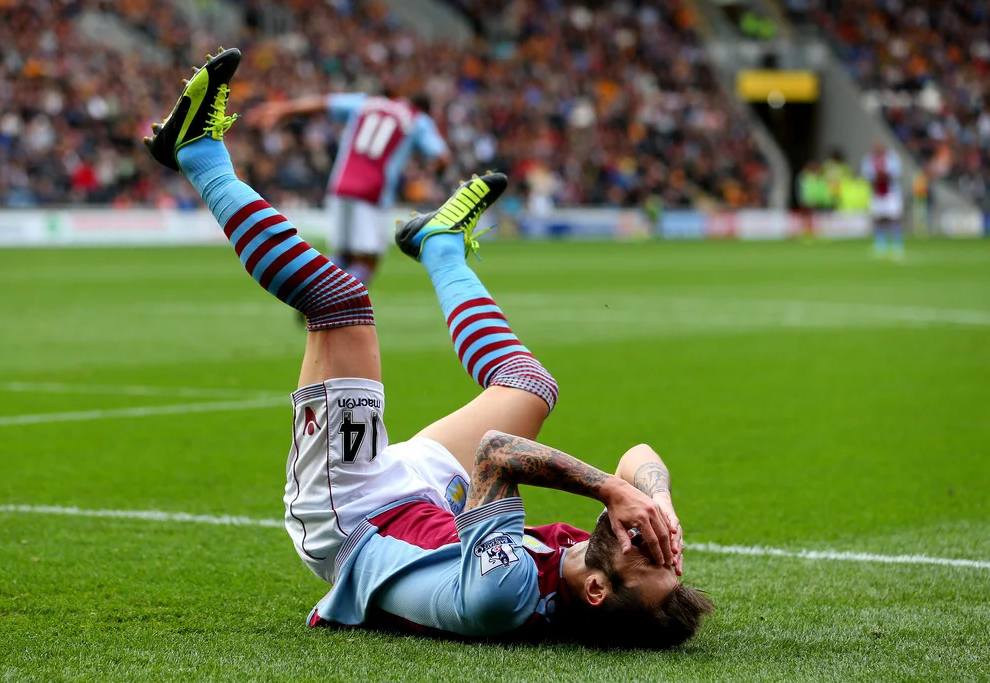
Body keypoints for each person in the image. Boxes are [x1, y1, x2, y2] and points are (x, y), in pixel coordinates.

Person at [143, 48, 712, 649]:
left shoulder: (504, 595)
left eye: (644, 556)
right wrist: (658, 499)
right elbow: (639, 455)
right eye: (664, 553)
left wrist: (610, 490)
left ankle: (196, 153)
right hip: (429, 501)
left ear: (597, 592)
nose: (644, 540)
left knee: (340, 302)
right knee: (530, 387)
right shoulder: (590, 562)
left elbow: (497, 455)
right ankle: (440, 244)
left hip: (355, 514)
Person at [246, 87, 450, 286]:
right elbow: (442, 158)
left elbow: (323, 102)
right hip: (373, 192)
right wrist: (430, 173)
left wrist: (282, 110)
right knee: (368, 260)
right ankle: (323, 303)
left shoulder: (366, 103)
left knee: (343, 256)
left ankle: (313, 289)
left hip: (340, 185)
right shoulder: (417, 118)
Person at [861, 141, 905, 259]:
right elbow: (866, 174)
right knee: (878, 219)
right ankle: (880, 244)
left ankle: (897, 243)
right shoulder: (869, 158)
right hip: (876, 192)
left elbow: (897, 172)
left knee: (894, 218)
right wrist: (876, 176)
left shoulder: (892, 158)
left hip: (890, 192)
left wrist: (885, 174)